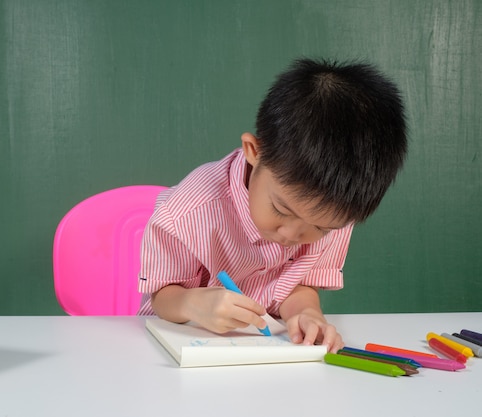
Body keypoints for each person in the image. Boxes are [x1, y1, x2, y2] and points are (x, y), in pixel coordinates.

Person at [137, 58, 408, 353]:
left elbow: (297, 287)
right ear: (254, 151)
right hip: (177, 350)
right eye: (281, 210)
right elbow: (162, 297)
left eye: (319, 228)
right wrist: (193, 303)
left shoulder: (336, 211)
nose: (291, 234)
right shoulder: (186, 212)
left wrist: (306, 313)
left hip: (263, 356)